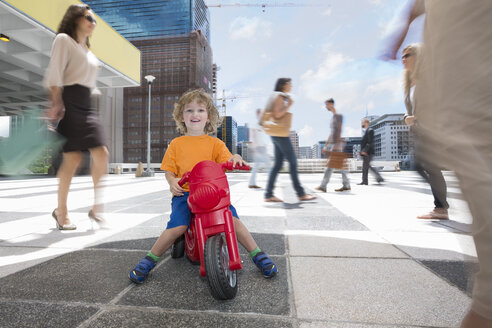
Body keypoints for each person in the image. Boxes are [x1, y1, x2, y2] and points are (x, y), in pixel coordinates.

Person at [381, 1, 492, 327]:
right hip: (455, 107)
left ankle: (485, 309)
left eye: (407, 55)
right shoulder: (415, 78)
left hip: (465, 97)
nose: (404, 60)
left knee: (473, 173)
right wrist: (403, 26)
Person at [129, 89, 278, 284]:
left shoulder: (215, 143)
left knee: (232, 220)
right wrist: (172, 182)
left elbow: (229, 159)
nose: (195, 115)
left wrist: (236, 158)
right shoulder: (176, 144)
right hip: (186, 194)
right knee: (178, 226)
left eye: (200, 110)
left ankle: (257, 254)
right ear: (182, 117)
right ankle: (150, 258)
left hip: (214, 193)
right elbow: (169, 170)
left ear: (208, 117)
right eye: (189, 110)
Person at [44, 4, 107, 230]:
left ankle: (96, 207)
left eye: (94, 19)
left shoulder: (87, 49)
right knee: (73, 160)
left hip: (87, 105)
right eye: (88, 17)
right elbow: (55, 72)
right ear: (75, 18)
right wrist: (56, 102)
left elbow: (88, 79)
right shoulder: (63, 40)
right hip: (70, 101)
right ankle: (61, 212)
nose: (93, 22)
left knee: (102, 153)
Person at [401, 43, 449, 220]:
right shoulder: (409, 84)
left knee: (425, 165)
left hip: (431, 129)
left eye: (408, 55)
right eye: (402, 56)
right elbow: (410, 111)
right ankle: (441, 205)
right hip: (419, 130)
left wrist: (418, 117)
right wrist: (407, 117)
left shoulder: (428, 80)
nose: (403, 59)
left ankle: (441, 207)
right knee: (426, 166)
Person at [263, 78, 316, 202]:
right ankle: (300, 193)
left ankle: (268, 194)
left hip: (275, 133)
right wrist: (289, 105)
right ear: (283, 85)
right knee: (293, 161)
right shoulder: (280, 96)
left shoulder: (276, 96)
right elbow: (277, 115)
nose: (291, 86)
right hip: (280, 133)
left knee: (277, 164)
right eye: (289, 84)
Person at [315, 98, 351, 192]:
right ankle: (346, 185)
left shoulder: (338, 116)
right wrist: (326, 146)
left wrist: (336, 144)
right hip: (335, 143)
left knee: (330, 166)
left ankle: (323, 186)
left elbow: (339, 130)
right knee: (340, 166)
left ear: (331, 104)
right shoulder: (333, 117)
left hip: (337, 144)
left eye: (326, 104)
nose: (326, 107)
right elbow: (332, 133)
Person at [248, 108, 271, 189]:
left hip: (261, 148)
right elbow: (254, 136)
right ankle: (270, 183)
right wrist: (256, 149)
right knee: (268, 165)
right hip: (259, 148)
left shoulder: (261, 125)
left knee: (257, 166)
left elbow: (261, 137)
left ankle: (251, 183)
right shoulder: (257, 125)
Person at [358, 118, 384, 185]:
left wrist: (365, 151)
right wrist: (361, 152)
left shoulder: (370, 130)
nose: (362, 124)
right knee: (366, 166)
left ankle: (367, 181)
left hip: (368, 152)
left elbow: (370, 142)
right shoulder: (367, 131)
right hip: (366, 152)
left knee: (366, 167)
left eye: (362, 122)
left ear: (366, 123)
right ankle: (373, 179)